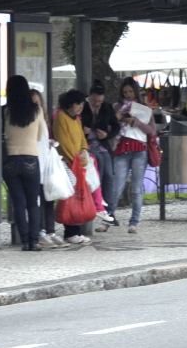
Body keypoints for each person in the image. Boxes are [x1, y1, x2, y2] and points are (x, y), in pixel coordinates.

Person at [97, 77, 155, 233]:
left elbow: (152, 130)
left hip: (139, 150)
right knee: (116, 189)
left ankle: (134, 222)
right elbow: (108, 127)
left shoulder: (143, 107)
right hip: (121, 150)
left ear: (135, 91)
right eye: (125, 92)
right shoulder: (117, 106)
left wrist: (136, 122)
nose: (128, 95)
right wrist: (118, 117)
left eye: (130, 91)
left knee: (136, 189)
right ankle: (107, 220)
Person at [2, 76, 45, 251]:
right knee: (32, 202)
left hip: (11, 159)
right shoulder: (36, 110)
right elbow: (40, 136)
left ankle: (24, 240)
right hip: (30, 158)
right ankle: (34, 242)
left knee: (18, 202)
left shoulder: (5, 111)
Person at [53, 89, 92, 244]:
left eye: (82, 104)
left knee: (78, 196)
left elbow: (82, 139)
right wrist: (76, 157)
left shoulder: (77, 120)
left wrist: (83, 151)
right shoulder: (61, 118)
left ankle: (76, 230)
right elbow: (63, 143)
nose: (80, 107)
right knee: (70, 197)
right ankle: (70, 232)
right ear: (70, 104)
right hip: (67, 164)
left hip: (77, 163)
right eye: (78, 104)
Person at [30, 89, 66, 248]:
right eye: (33, 103)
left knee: (49, 199)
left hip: (46, 164)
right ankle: (41, 231)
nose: (36, 106)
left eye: (38, 103)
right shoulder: (32, 120)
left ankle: (50, 231)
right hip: (36, 163)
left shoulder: (44, 120)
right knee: (38, 200)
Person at [80, 80, 117, 226]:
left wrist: (107, 134)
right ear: (89, 96)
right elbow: (76, 123)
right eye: (94, 100)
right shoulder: (82, 107)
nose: (97, 104)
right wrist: (82, 130)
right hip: (87, 144)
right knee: (99, 162)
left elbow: (116, 127)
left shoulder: (106, 107)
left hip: (101, 144)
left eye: (100, 101)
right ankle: (97, 199)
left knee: (110, 175)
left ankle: (109, 209)